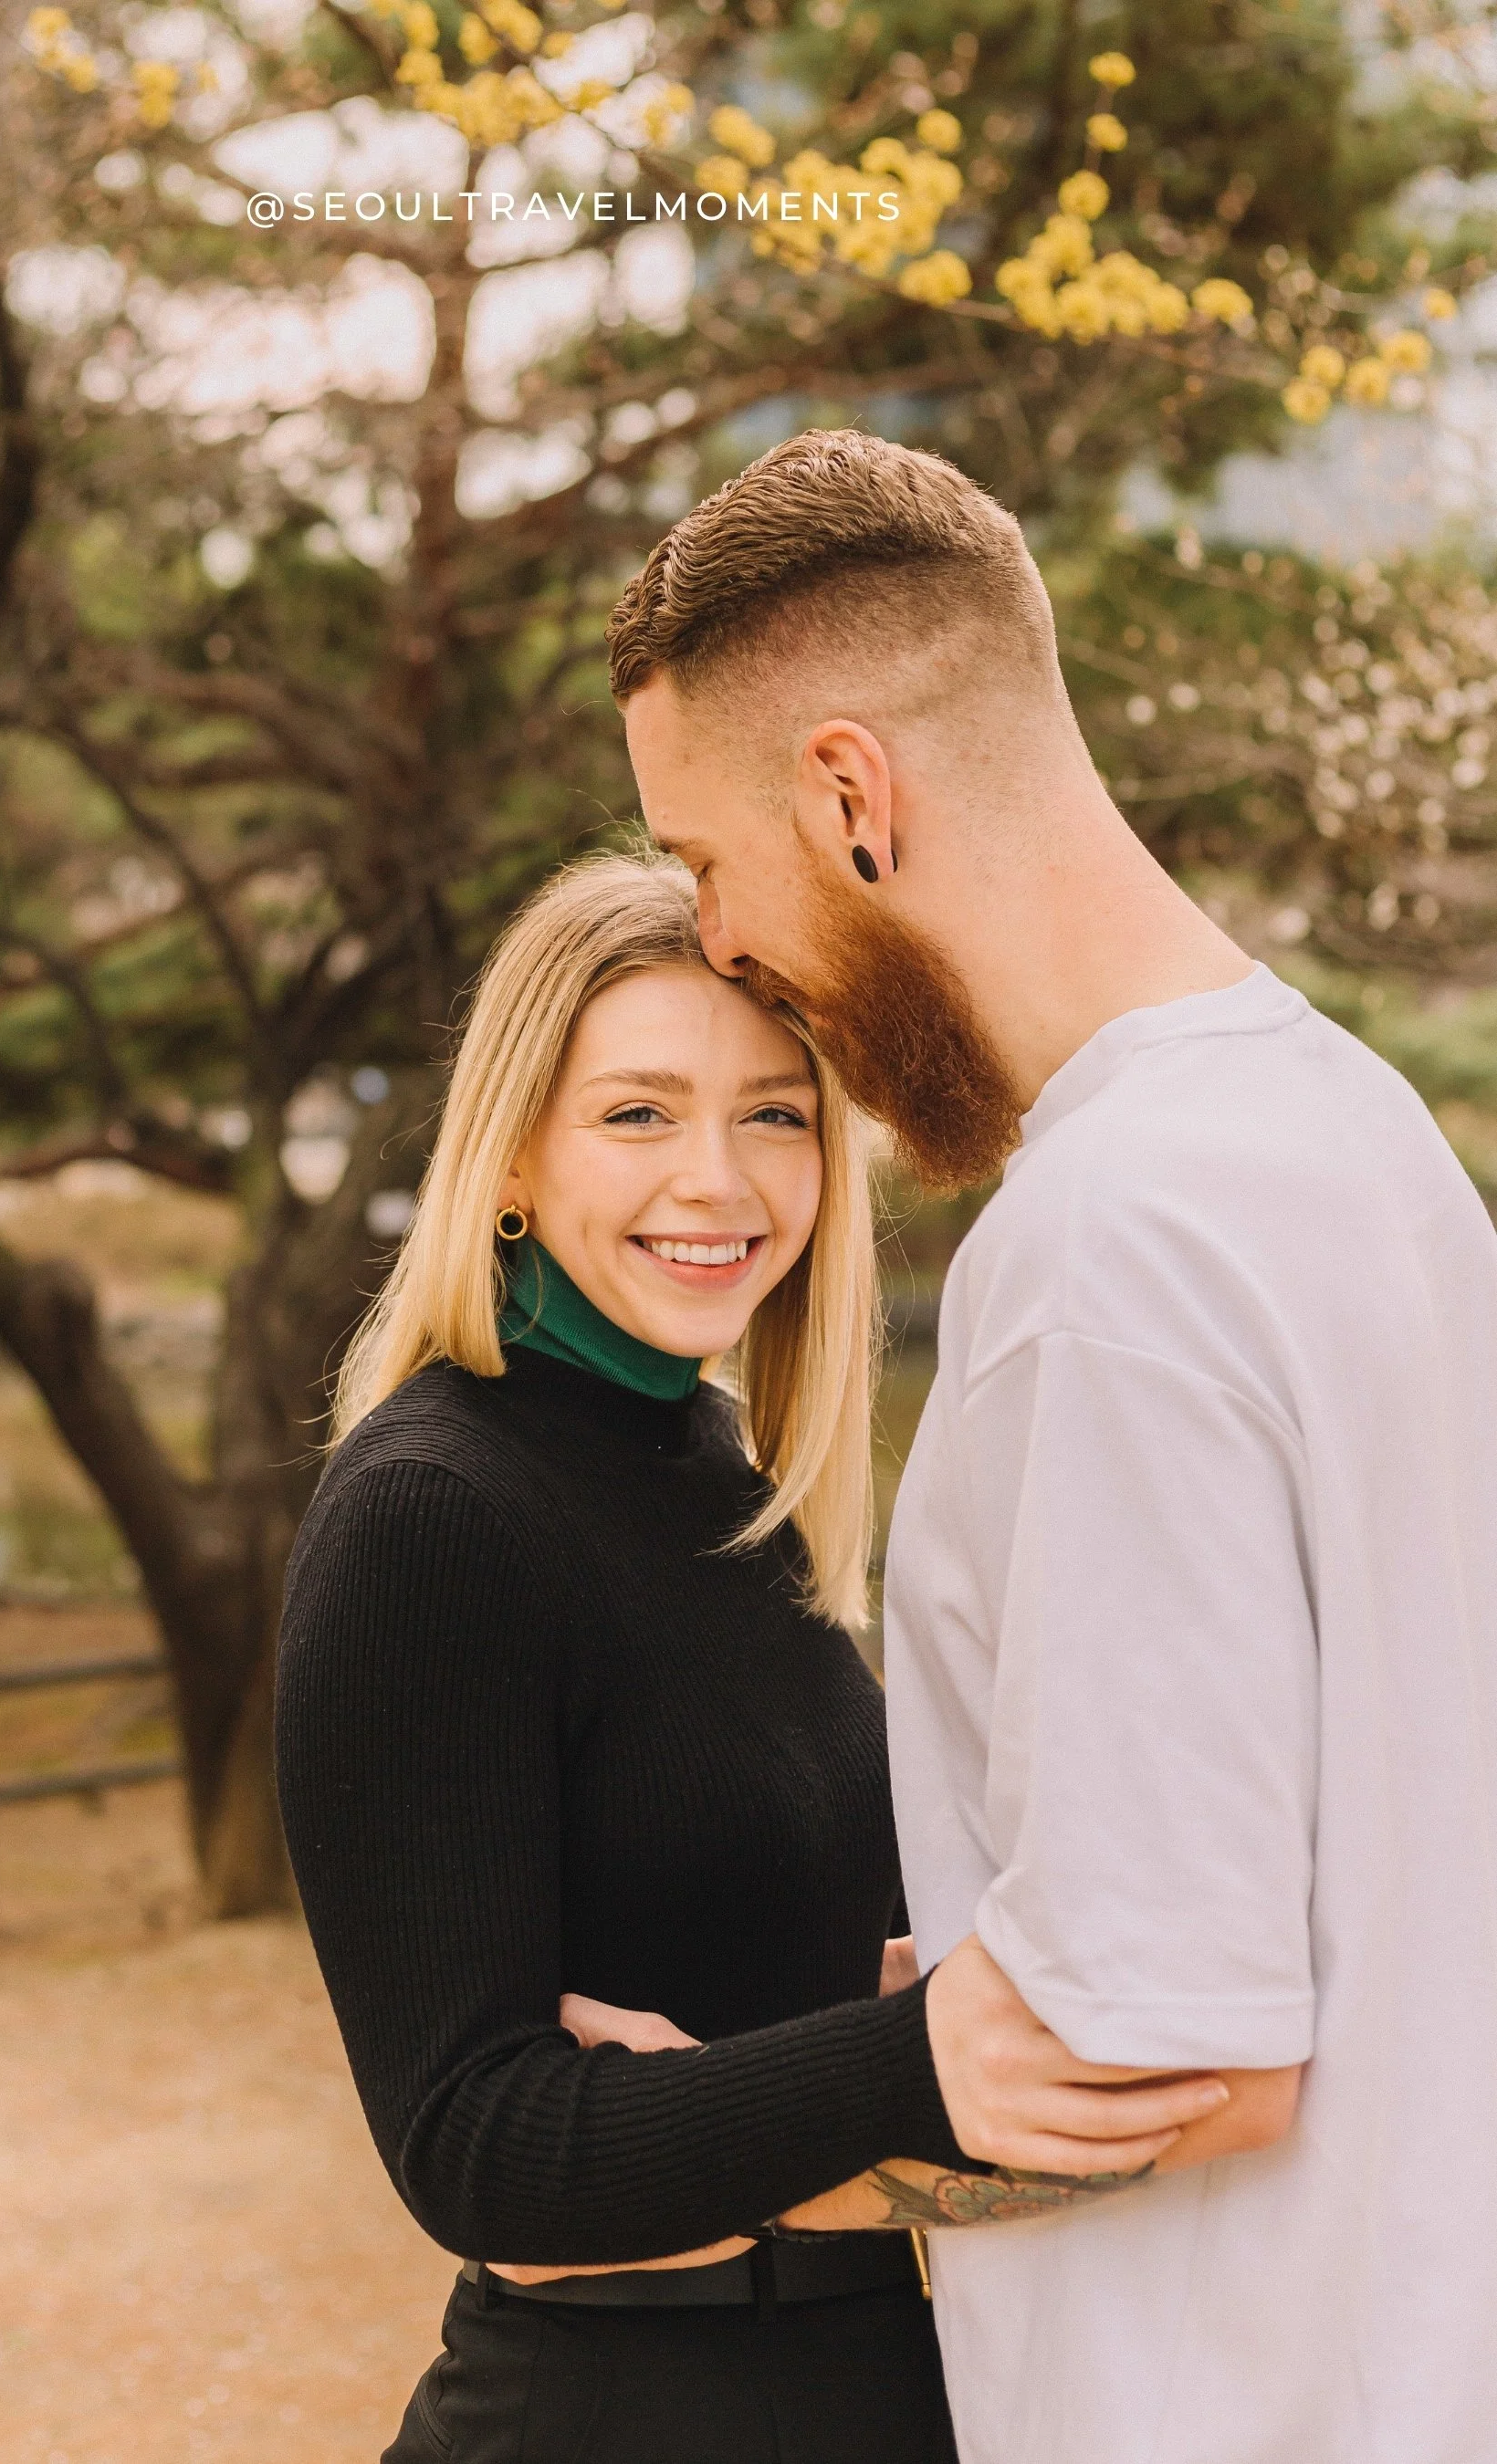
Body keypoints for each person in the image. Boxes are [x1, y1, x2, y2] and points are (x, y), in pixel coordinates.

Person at [605, 427, 1497, 2464]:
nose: (720, 943)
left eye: (705, 866)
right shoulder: (1355, 1133)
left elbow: (1178, 2061)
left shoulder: (1102, 1257)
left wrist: (692, 2182)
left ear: (848, 794)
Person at [275, 856, 1220, 2464]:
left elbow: (808, 1957)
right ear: (509, 1154)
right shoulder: (432, 1515)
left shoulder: (729, 1469)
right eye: (638, 1113)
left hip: (872, 2376)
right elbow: (481, 2149)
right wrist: (916, 2051)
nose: (716, 1181)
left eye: (775, 1114)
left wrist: (847, 2029)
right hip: (620, 2413)